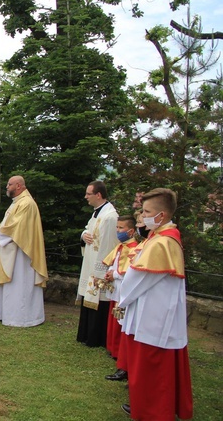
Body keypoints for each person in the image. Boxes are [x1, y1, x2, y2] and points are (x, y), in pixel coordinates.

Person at [116, 188, 193, 420]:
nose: (143, 216)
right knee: (151, 366)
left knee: (152, 366)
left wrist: (123, 299)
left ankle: (152, 410)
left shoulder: (162, 243)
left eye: (148, 211)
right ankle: (147, 405)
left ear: (162, 215)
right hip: (154, 309)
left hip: (154, 314)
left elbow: (139, 277)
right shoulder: (161, 237)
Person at [0, 176, 48, 327]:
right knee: (13, 283)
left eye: (9, 185)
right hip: (12, 247)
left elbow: (18, 227)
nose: (6, 187)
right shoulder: (17, 202)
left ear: (18, 186)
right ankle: (5, 313)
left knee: (19, 283)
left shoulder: (27, 203)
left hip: (22, 251)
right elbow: (8, 222)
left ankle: (21, 317)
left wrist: (0, 233)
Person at [77, 180, 118, 347]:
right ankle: (86, 334)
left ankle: (96, 337)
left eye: (89, 194)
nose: (86, 197)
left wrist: (100, 272)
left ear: (98, 195)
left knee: (98, 301)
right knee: (89, 299)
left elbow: (109, 246)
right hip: (90, 262)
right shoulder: (97, 213)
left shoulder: (109, 216)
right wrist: (83, 234)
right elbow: (88, 229)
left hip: (99, 266)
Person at [101, 215, 138, 382]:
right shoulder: (121, 247)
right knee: (114, 321)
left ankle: (120, 357)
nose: (118, 231)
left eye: (121, 228)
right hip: (116, 289)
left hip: (124, 291)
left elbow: (129, 272)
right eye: (117, 228)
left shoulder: (134, 249)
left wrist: (114, 274)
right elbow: (114, 264)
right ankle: (113, 349)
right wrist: (110, 272)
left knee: (121, 325)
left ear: (131, 230)